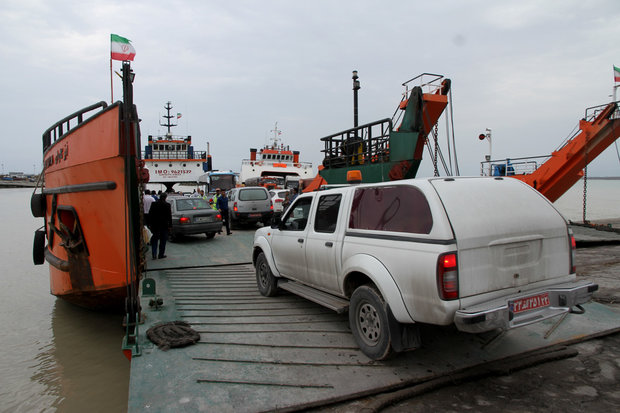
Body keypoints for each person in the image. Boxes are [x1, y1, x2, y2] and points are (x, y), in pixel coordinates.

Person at [148, 192, 172, 259]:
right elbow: (169, 216)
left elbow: (150, 214)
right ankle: (161, 254)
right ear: (165, 198)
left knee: (154, 240)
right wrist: (170, 226)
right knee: (163, 241)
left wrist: (149, 224)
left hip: (155, 225)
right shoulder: (167, 205)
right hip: (164, 225)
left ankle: (154, 254)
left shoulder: (154, 204)